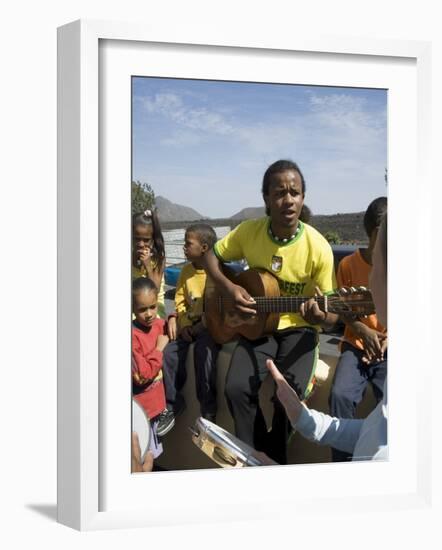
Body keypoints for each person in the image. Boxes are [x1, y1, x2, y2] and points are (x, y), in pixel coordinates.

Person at [200, 159, 338, 464]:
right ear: (266, 198)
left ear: (303, 198)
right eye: (279, 192)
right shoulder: (249, 232)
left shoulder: (318, 247)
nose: (288, 199)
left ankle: (273, 462)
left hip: (300, 331)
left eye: (295, 192)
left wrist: (320, 317)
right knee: (235, 389)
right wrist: (226, 287)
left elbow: (333, 315)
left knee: (287, 399)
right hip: (259, 329)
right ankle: (248, 454)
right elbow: (210, 256)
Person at [266, 211, 388, 462]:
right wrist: (302, 418)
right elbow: (374, 432)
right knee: (341, 395)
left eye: (377, 262)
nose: (368, 281)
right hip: (355, 346)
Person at [329, 197, 388, 462]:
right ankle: (344, 466)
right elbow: (341, 309)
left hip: (387, 348)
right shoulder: (348, 266)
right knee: (340, 396)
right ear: (376, 232)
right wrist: (364, 332)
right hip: (356, 346)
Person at [162, 223, 221, 422]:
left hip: (208, 328)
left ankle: (208, 410)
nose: (184, 248)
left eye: (188, 243)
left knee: (204, 357)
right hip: (189, 326)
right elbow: (179, 300)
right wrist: (185, 325)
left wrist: (198, 328)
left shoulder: (217, 272)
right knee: (169, 354)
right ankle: (172, 403)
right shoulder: (186, 272)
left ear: (204, 248)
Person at [132, 277, 176, 450]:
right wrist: (158, 349)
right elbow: (141, 376)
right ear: (132, 308)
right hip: (142, 412)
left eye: (153, 307)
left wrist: (172, 317)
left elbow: (176, 325)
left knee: (151, 456)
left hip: (157, 410)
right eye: (142, 309)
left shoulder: (159, 324)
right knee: (142, 458)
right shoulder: (132, 337)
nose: (149, 314)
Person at [132, 209, 167, 319]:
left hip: (153, 308)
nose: (141, 244)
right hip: (135, 307)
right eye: (137, 239)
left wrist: (147, 266)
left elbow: (154, 290)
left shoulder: (159, 259)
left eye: (146, 240)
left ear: (153, 239)